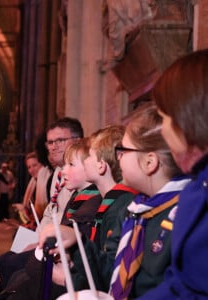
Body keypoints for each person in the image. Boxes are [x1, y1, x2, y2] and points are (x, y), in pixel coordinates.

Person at [40, 103, 190, 299]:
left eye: (123, 151)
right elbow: (113, 271)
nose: (117, 158)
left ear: (149, 162)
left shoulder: (184, 215)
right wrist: (78, 244)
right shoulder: (133, 211)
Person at [137, 50, 208, 299]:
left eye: (165, 118)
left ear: (188, 118)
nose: (164, 132)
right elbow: (180, 285)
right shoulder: (197, 188)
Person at [38, 124, 138, 298]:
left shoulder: (119, 206)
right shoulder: (111, 202)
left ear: (101, 165)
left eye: (89, 156)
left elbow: (112, 271)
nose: (84, 161)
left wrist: (71, 277)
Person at [0, 117, 84, 299]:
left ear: (77, 140)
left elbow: (72, 215)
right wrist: (37, 236)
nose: (53, 146)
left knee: (11, 266)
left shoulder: (78, 173)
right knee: (8, 260)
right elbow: (51, 209)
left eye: (60, 141)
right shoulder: (58, 172)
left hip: (63, 245)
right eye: (50, 142)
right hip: (49, 236)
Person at [13, 151, 43, 228]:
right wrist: (23, 209)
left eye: (34, 165)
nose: (31, 170)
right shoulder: (33, 183)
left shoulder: (47, 183)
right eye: (29, 167)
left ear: (42, 164)